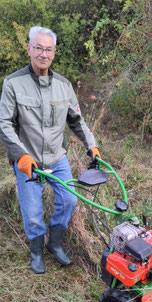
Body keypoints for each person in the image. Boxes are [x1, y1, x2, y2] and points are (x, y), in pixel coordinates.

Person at [0, 26, 101, 274]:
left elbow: (77, 121)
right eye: (38, 48)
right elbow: (4, 124)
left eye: (48, 49)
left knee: (69, 200)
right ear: (29, 49)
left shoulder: (64, 86)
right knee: (33, 212)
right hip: (28, 161)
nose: (43, 54)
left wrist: (93, 146)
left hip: (57, 159)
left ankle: (54, 243)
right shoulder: (13, 83)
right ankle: (36, 251)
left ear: (54, 53)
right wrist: (20, 155)